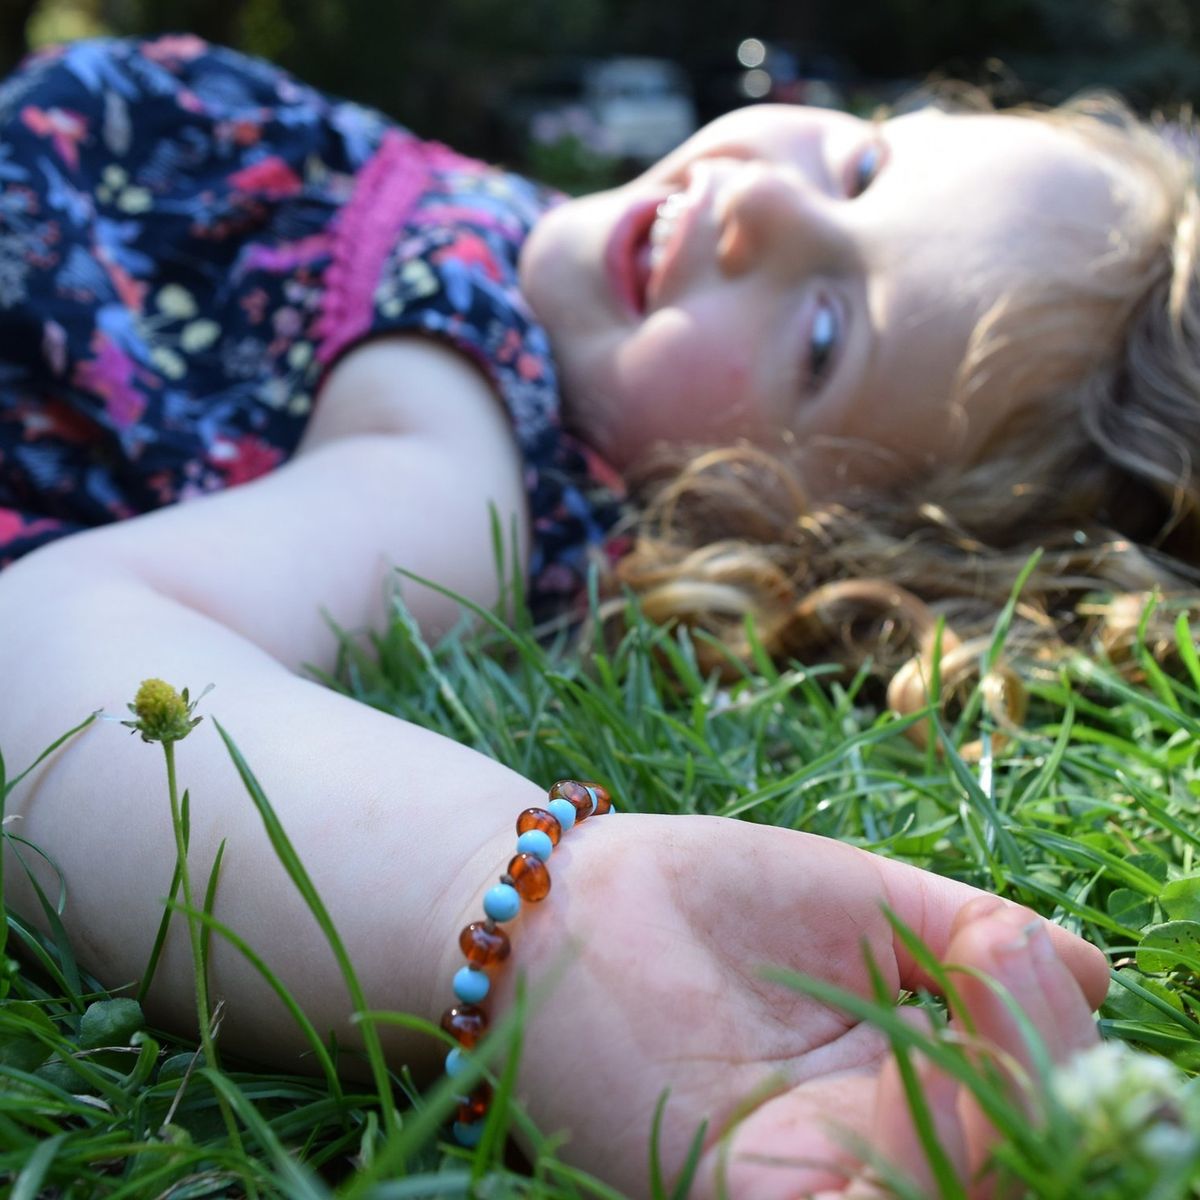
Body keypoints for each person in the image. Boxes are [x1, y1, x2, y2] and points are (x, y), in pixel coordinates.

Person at [0, 32, 1191, 1197]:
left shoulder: (457, 444)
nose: (765, 206)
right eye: (864, 165)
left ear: (791, 527)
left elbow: (51, 646)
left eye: (825, 335)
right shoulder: (499, 238)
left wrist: (544, 913)